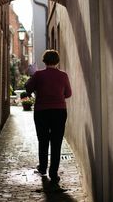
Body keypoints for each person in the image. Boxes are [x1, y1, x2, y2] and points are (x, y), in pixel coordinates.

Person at [25, 50, 72, 184]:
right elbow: (68, 94)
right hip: (59, 112)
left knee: (43, 140)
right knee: (57, 142)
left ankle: (43, 167)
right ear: (57, 61)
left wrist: (32, 75)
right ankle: (54, 173)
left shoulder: (38, 75)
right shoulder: (63, 76)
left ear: (44, 61)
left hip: (42, 112)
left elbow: (28, 88)